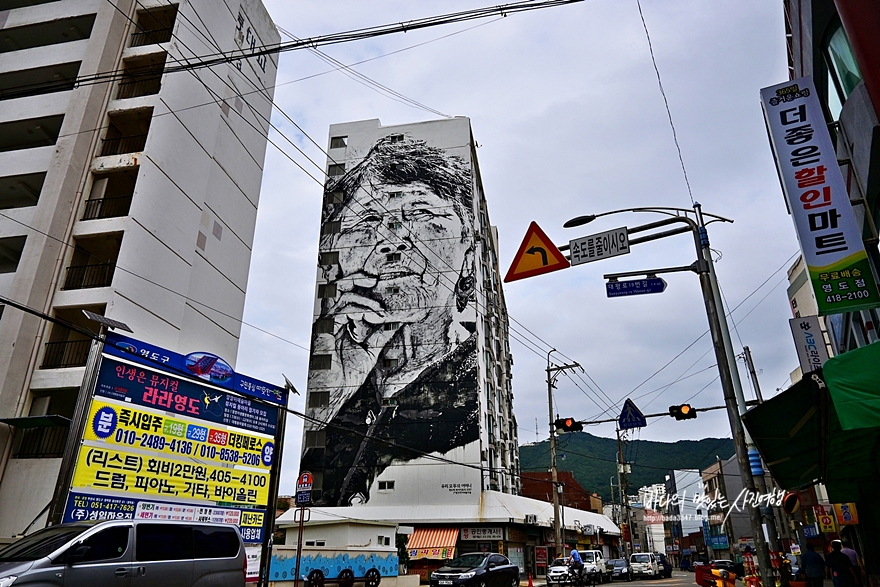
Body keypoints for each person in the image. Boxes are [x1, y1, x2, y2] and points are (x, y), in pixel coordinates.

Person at [300, 135, 479, 506]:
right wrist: (331, 398)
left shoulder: (473, 389)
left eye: (421, 215)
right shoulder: (337, 378)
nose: (391, 241)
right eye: (367, 221)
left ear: (467, 254)